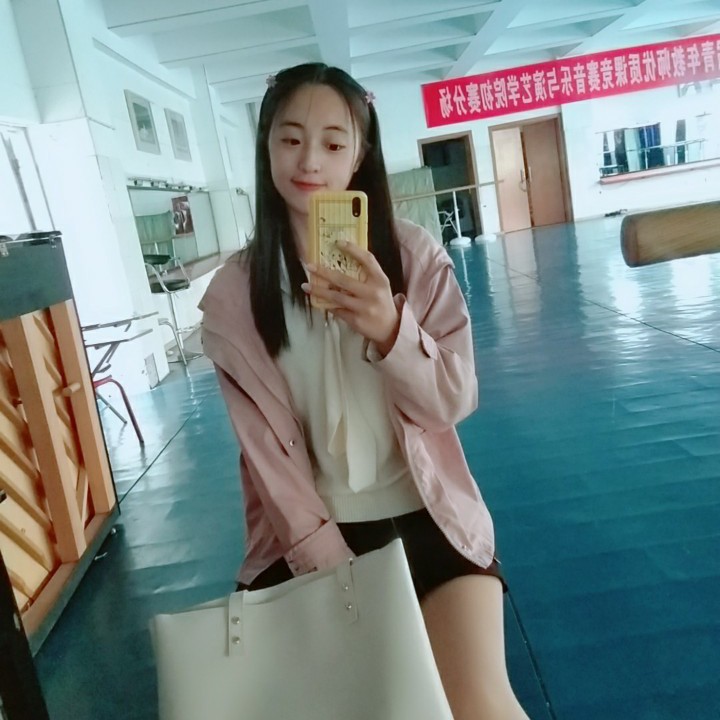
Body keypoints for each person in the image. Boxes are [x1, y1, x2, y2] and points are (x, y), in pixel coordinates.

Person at [199, 62, 529, 720]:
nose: (309, 161)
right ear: (266, 147)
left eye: (332, 142)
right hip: (305, 533)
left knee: (481, 704)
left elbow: (453, 400)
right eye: (290, 139)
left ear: (360, 153)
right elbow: (266, 461)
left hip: (428, 514)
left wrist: (390, 329)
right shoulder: (234, 297)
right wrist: (338, 574)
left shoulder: (413, 258)